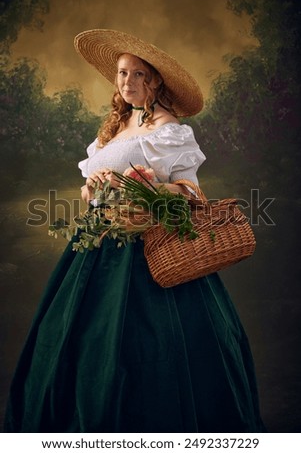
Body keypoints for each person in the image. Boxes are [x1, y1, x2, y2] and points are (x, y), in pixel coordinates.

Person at [4, 29, 265, 433]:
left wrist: (149, 188)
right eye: (122, 73)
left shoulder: (170, 129)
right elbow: (90, 185)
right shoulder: (115, 125)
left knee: (150, 346)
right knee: (82, 339)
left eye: (138, 74)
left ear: (156, 80)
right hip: (95, 244)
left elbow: (190, 191)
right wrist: (92, 186)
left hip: (149, 245)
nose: (127, 82)